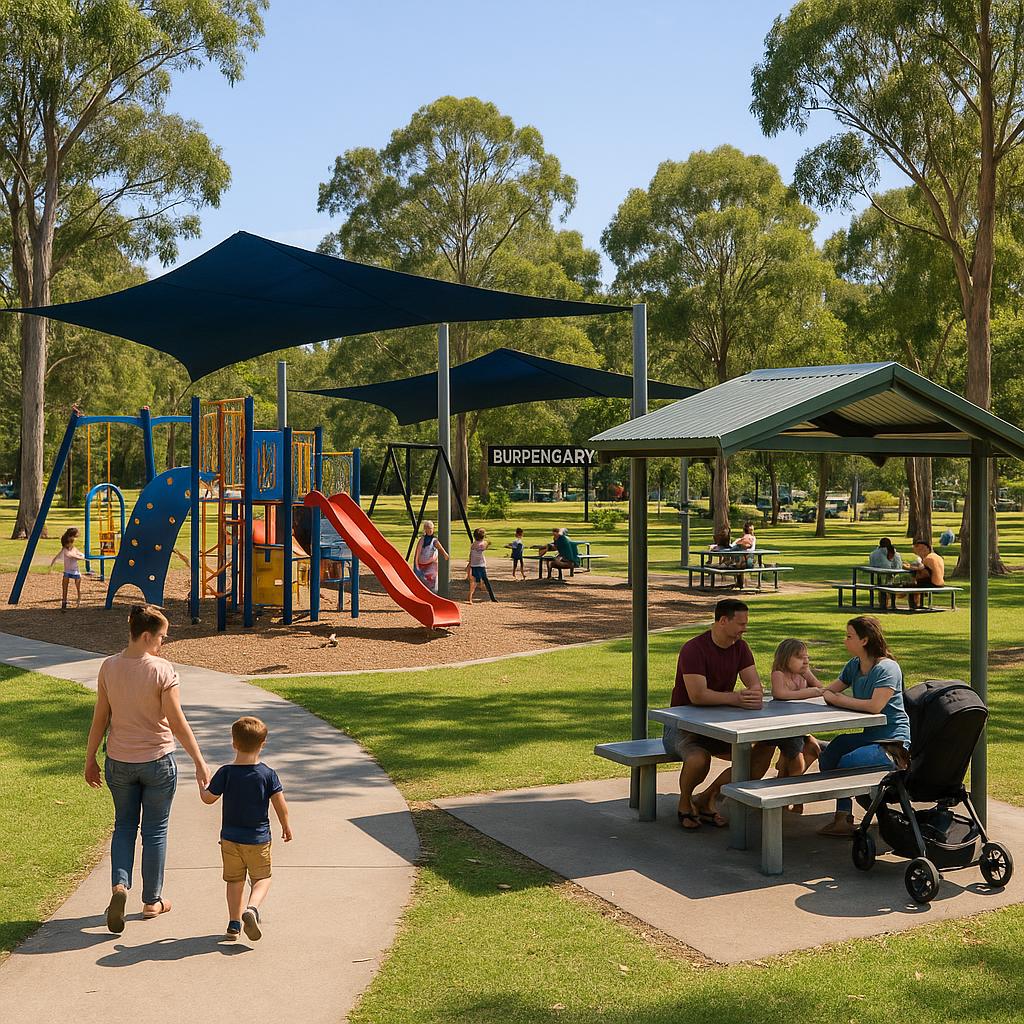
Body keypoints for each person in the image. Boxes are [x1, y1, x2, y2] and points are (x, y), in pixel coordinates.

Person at [84, 605, 210, 933]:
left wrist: (90, 758)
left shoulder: (109, 667)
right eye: (161, 637)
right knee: (155, 831)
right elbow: (177, 721)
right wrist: (199, 761)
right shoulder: (162, 670)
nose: (162, 643)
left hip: (119, 761)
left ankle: (119, 886)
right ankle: (152, 901)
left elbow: (100, 718)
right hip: (157, 762)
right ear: (145, 635)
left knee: (124, 826)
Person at [663, 598, 775, 830]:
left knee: (765, 748)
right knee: (698, 759)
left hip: (722, 726)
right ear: (723, 621)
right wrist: (737, 698)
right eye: (741, 624)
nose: (745, 629)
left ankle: (708, 797)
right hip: (683, 727)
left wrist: (754, 694)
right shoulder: (693, 649)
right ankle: (684, 803)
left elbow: (755, 685)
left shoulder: (741, 648)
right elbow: (698, 695)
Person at [816, 616, 911, 837]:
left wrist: (839, 699)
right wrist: (828, 694)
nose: (845, 640)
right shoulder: (854, 665)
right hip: (870, 737)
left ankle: (852, 816)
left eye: (849, 636)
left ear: (864, 640)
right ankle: (844, 817)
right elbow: (829, 691)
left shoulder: (887, 668)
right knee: (831, 754)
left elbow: (875, 706)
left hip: (892, 745)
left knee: (845, 763)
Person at [200, 716, 292, 941]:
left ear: (234, 743)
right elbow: (280, 804)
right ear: (263, 744)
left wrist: (202, 785)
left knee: (234, 880)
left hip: (230, 839)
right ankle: (251, 909)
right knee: (262, 878)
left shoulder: (226, 772)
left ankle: (234, 924)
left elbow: (208, 799)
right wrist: (286, 825)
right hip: (258, 839)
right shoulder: (267, 774)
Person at [769, 639, 824, 811]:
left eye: (807, 657)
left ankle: (788, 793)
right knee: (797, 762)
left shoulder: (803, 674)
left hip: (800, 726)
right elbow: (780, 694)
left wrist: (808, 675)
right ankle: (791, 796)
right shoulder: (779, 674)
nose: (805, 661)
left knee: (804, 754)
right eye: (800, 657)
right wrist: (808, 692)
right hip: (783, 726)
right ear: (785, 658)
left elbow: (820, 689)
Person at [50, 527, 84, 611]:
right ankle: (64, 601)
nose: (68, 545)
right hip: (67, 571)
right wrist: (53, 561)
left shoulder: (74, 549)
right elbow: (66, 554)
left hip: (75, 570)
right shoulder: (65, 550)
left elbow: (81, 555)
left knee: (78, 586)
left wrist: (78, 556)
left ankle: (79, 599)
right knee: (65, 585)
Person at [906, 538, 945, 610]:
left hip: (933, 584)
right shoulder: (938, 557)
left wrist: (908, 567)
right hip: (941, 584)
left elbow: (920, 568)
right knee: (917, 582)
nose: (918, 552)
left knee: (911, 586)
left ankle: (913, 606)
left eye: (920, 550)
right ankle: (918, 604)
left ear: (926, 549)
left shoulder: (928, 558)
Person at [412, 520, 448, 593]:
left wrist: (445, 554)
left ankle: (433, 592)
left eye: (431, 528)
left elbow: (440, 547)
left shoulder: (434, 540)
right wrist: (416, 565)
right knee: (422, 580)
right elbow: (417, 553)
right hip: (422, 564)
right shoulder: (422, 540)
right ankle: (422, 592)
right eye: (428, 528)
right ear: (425, 529)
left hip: (431, 564)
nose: (430, 530)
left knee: (432, 579)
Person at [868, 536, 902, 610]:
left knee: (882, 587)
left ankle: (883, 604)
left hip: (878, 574)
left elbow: (872, 564)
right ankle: (891, 604)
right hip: (891, 574)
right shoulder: (895, 553)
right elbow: (898, 566)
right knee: (891, 586)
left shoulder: (873, 553)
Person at [467, 527, 490, 603]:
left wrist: (469, 564)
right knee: (482, 578)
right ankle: (474, 592)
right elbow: (487, 544)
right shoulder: (482, 544)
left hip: (474, 565)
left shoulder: (473, 545)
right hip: (481, 564)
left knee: (474, 581)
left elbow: (470, 555)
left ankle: (472, 594)